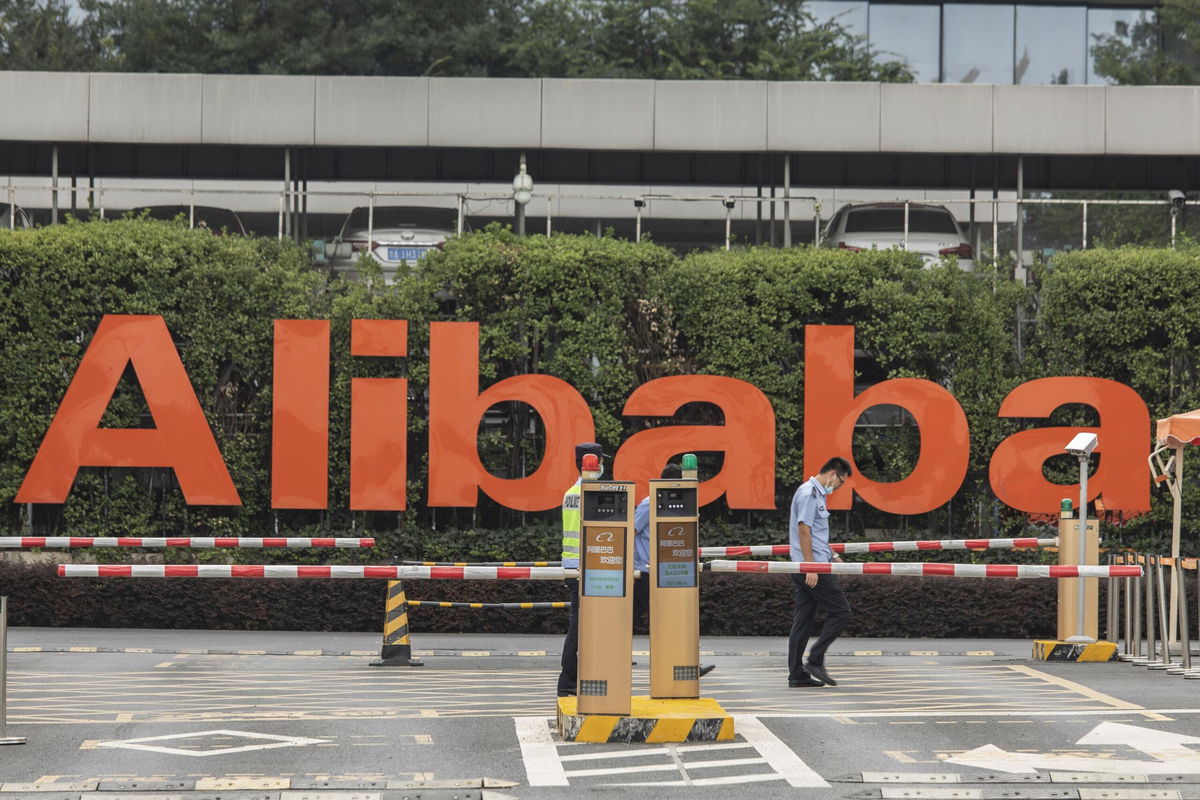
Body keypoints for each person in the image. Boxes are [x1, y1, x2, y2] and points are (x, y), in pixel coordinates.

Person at [633, 462, 715, 676]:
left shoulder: (679, 505)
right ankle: (681, 664)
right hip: (647, 572)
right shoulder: (649, 503)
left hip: (667, 572)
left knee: (644, 617)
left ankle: (616, 657)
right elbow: (630, 530)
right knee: (669, 619)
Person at [787, 456, 853, 688]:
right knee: (842, 612)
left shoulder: (817, 494)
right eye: (841, 482)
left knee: (803, 621)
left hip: (811, 564)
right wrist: (811, 566)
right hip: (812, 567)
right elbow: (804, 531)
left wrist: (833, 554)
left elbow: (816, 533)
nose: (839, 487)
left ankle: (796, 674)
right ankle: (815, 660)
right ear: (833, 474)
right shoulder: (809, 494)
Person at [557, 442, 605, 697]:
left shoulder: (571, 492)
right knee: (581, 625)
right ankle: (567, 678)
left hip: (573, 567)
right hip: (587, 568)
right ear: (593, 462)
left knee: (582, 623)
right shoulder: (592, 493)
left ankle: (576, 677)